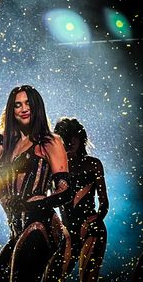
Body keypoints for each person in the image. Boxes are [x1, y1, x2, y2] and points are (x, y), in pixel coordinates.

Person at [0, 85, 72, 282]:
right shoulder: (7, 148)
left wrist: (35, 203)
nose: (24, 108)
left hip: (39, 225)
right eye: (18, 105)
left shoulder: (49, 142)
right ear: (11, 111)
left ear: (37, 107)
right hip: (16, 229)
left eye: (28, 103)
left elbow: (65, 190)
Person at [54, 117, 109, 282]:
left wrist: (98, 218)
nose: (69, 141)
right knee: (51, 276)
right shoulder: (53, 167)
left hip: (91, 229)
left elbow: (104, 202)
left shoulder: (93, 164)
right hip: (67, 233)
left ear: (80, 138)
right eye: (64, 136)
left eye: (73, 136)